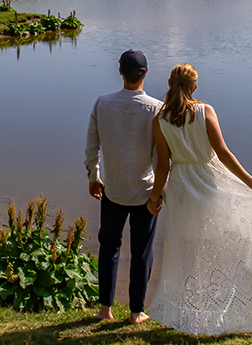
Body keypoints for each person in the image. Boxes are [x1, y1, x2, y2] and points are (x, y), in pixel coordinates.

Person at [145, 63, 252, 335]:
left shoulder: (160, 120)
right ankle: (217, 310)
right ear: (194, 87)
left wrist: (155, 197)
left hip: (180, 187)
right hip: (208, 182)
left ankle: (193, 312)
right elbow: (224, 154)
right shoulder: (205, 112)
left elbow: (162, 166)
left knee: (188, 252)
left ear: (169, 84)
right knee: (215, 248)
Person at [85, 49, 163, 324]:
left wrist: (94, 176)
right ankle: (136, 311)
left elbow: (92, 146)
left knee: (108, 249)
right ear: (146, 73)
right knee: (141, 254)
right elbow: (160, 156)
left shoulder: (102, 103)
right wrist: (161, 192)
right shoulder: (156, 108)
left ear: (120, 72)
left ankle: (105, 309)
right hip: (145, 194)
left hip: (113, 190)